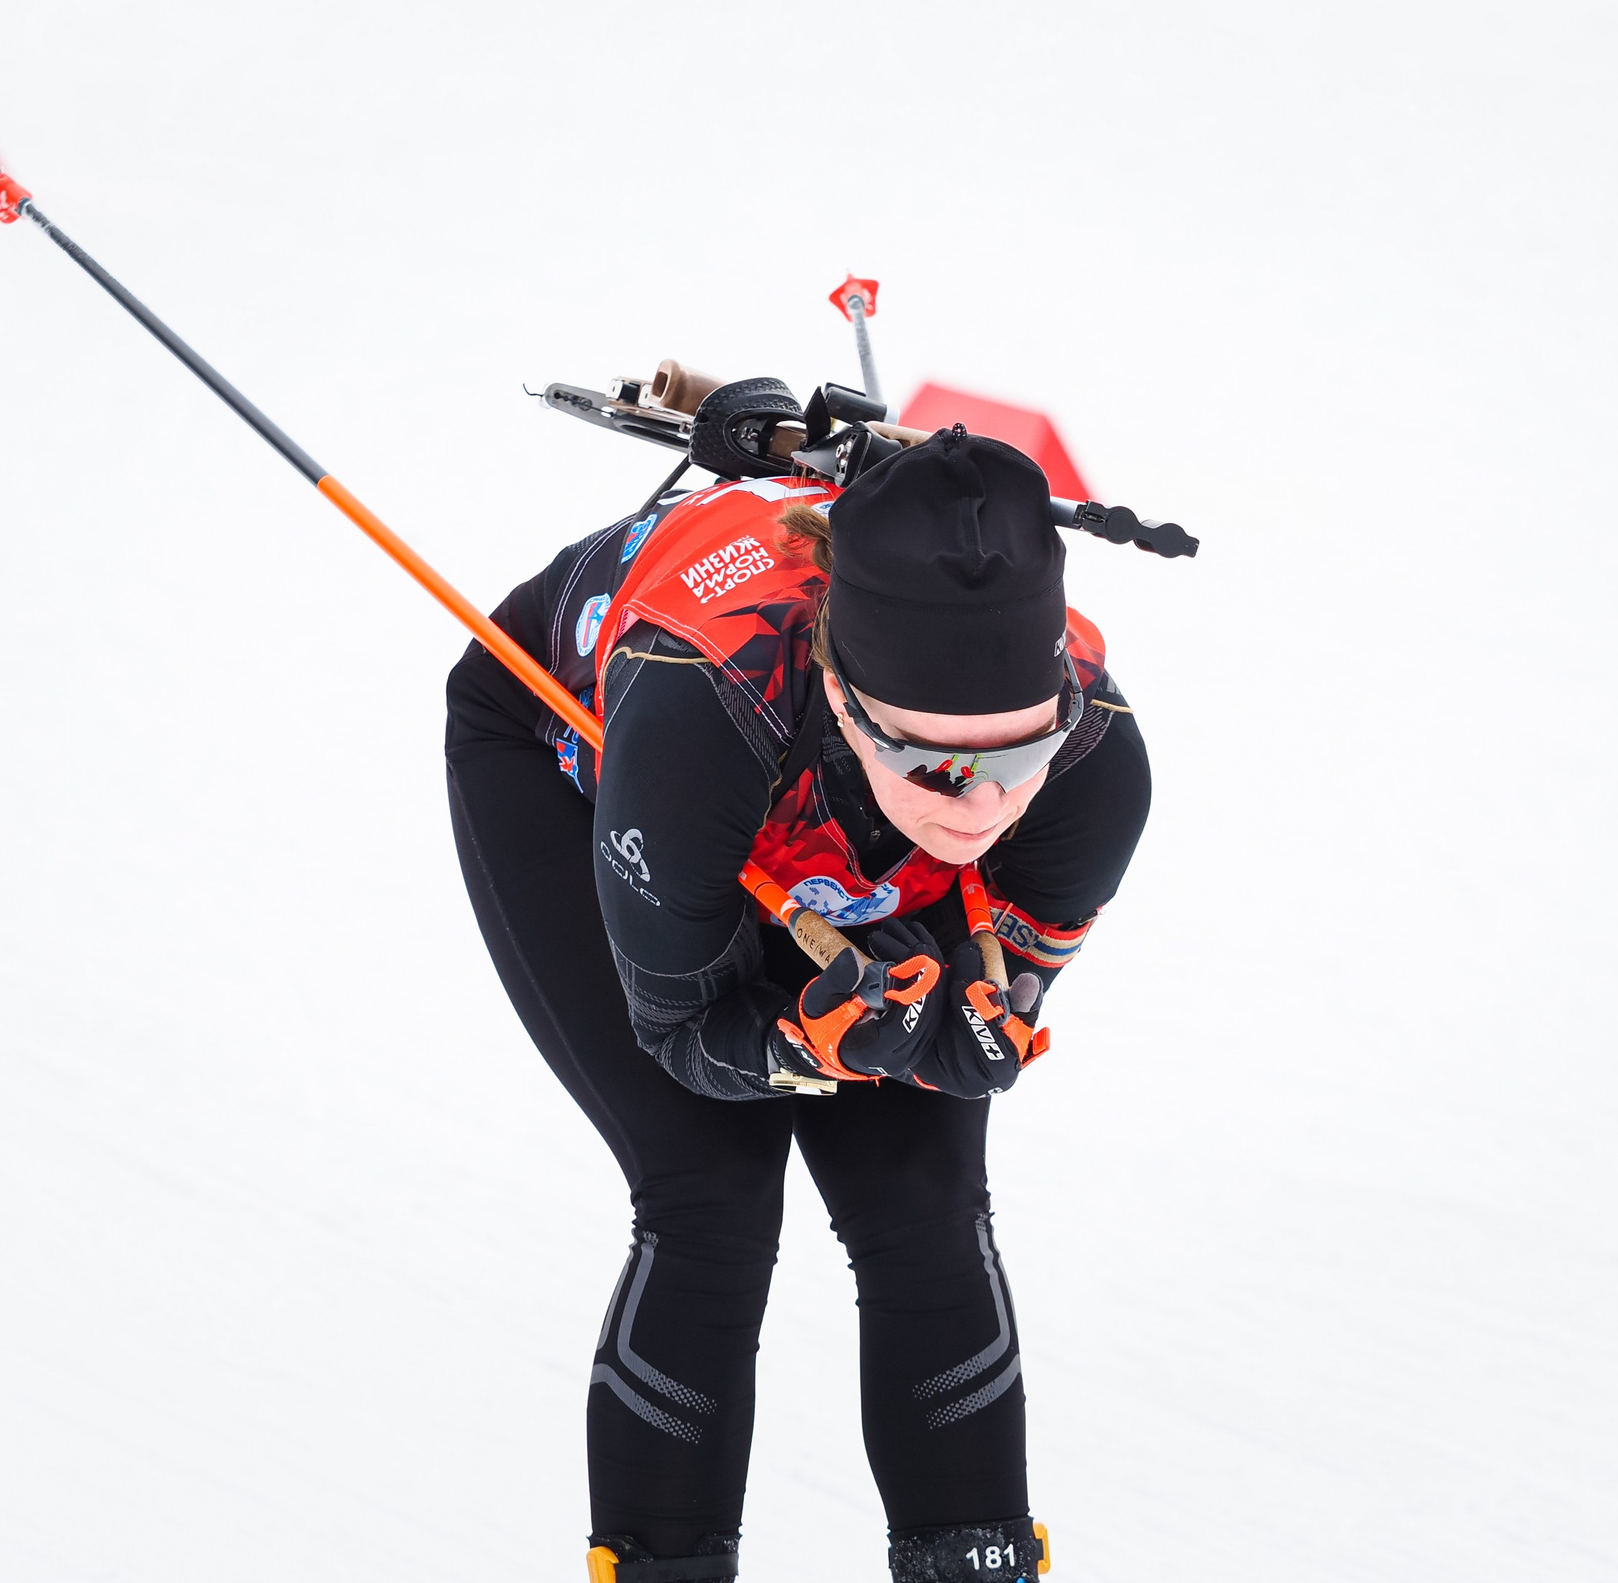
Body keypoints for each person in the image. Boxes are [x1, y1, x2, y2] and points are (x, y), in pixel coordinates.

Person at [445, 428, 1150, 1581]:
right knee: (712, 1199)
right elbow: (681, 1035)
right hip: (579, 762)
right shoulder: (698, 710)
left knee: (924, 1201)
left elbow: (993, 976)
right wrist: (796, 1045)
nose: (980, 809)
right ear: (840, 689)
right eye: (935, 763)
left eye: (1017, 757)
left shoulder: (1097, 769)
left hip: (816, 813)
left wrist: (966, 1037)